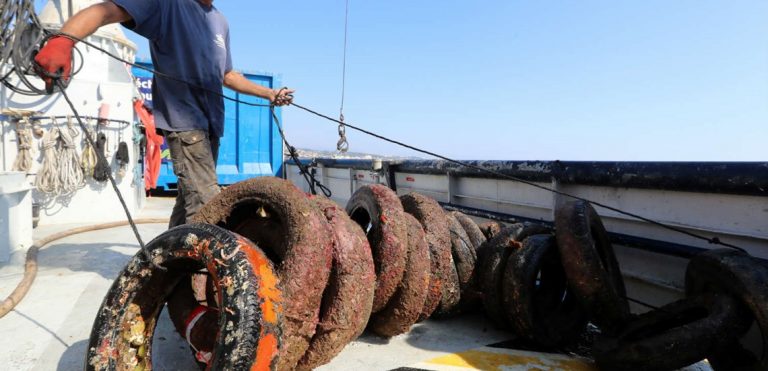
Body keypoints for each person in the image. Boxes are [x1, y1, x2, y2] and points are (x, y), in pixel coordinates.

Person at [34, 0, 294, 227]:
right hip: (184, 123)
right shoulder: (168, 4)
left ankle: (168, 267)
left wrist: (269, 94)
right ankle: (197, 279)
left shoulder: (220, 21)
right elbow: (106, 11)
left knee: (188, 200)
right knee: (207, 205)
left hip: (212, 123)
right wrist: (63, 40)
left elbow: (227, 74)